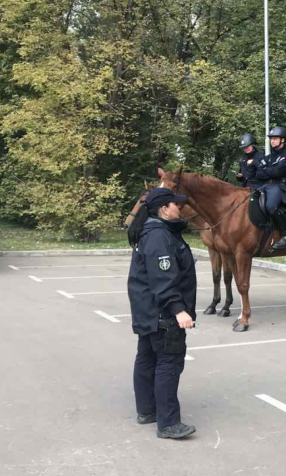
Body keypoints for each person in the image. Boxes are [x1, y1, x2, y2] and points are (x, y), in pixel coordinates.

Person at [126, 187, 198, 440]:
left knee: (147, 358)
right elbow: (163, 278)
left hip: (149, 311)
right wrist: (179, 310)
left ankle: (147, 411)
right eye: (176, 204)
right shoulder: (158, 236)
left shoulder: (156, 232)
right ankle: (168, 424)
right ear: (164, 208)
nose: (180, 207)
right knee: (169, 362)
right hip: (162, 313)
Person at [254, 126, 286, 251]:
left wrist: (265, 170)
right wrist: (268, 171)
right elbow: (258, 174)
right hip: (266, 185)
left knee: (270, 206)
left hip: (280, 186)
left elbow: (277, 172)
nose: (272, 141)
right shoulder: (271, 156)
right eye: (271, 139)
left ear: (282, 140)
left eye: (274, 138)